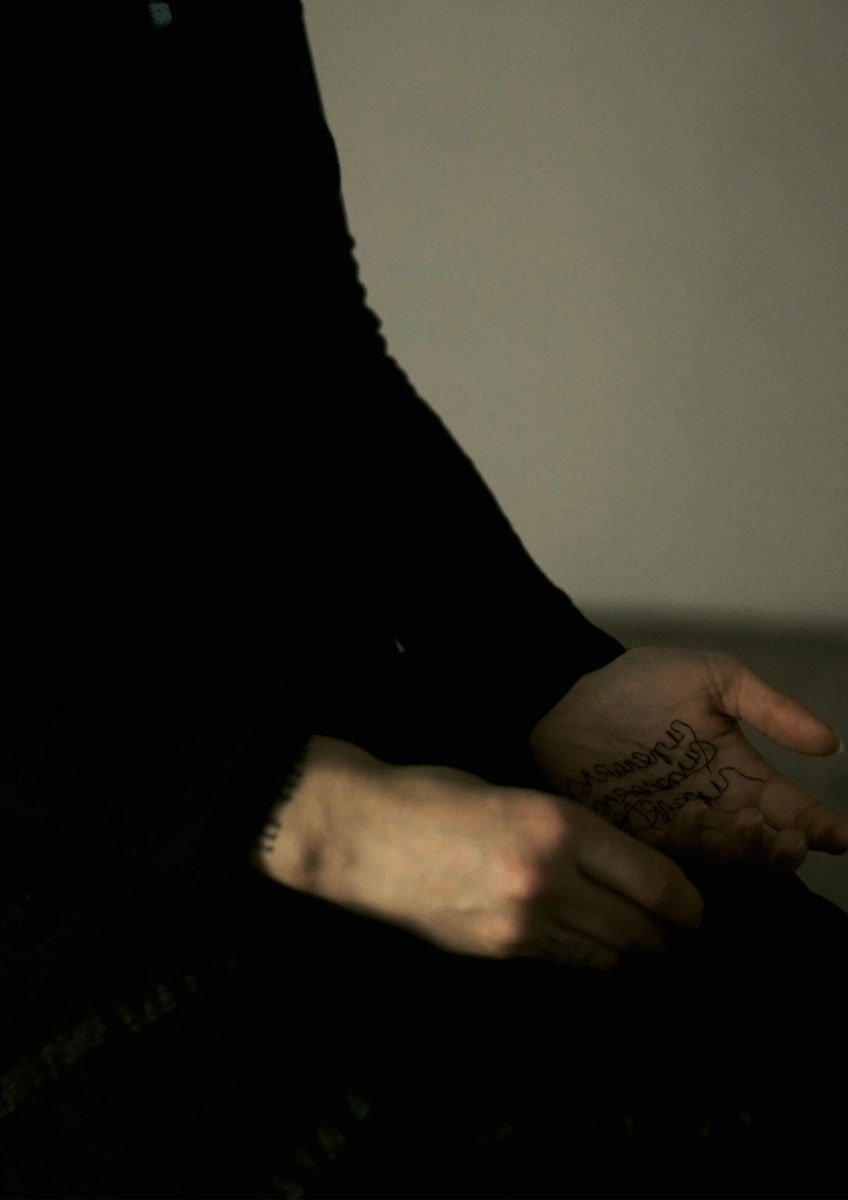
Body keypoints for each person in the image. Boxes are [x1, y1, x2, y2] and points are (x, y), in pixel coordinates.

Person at [1, 3, 845, 1196]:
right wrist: (304, 813)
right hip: (73, 807)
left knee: (780, 1019)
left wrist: (542, 672)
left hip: (298, 705)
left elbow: (308, 338)